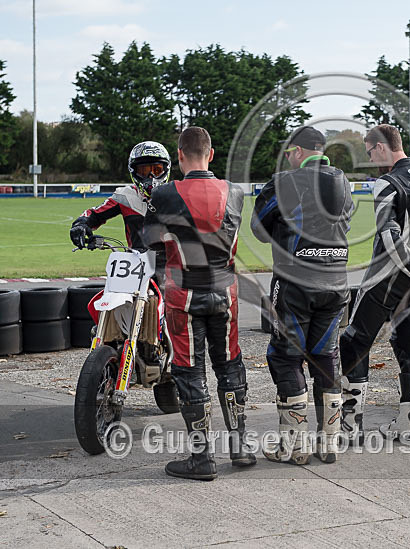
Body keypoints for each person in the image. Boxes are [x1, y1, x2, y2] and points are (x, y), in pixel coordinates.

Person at [142, 126, 255, 480]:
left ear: (178, 156)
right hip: (226, 291)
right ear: (212, 153)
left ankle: (201, 458)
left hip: (184, 293)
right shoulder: (235, 192)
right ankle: (240, 447)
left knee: (190, 371)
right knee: (230, 365)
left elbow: (150, 242)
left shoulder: (164, 194)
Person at [339, 124, 410, 444]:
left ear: (381, 147)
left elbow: (389, 235)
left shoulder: (387, 182)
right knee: (408, 344)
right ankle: (408, 424)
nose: (371, 159)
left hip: (387, 277)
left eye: (370, 152)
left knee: (353, 343)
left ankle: (349, 425)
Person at [251, 126, 354, 465]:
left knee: (285, 357)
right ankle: (330, 443)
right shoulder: (342, 180)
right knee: (326, 357)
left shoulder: (285, 182)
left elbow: (259, 230)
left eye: (289, 152)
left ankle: (294, 446)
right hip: (337, 280)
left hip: (295, 283)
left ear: (297, 151)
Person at [70, 141, 170, 253]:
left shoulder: (178, 194)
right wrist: (80, 225)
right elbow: (95, 214)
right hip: (136, 264)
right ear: (133, 172)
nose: (150, 177)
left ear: (166, 169)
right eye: (144, 171)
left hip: (174, 263)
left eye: (157, 170)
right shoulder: (125, 196)